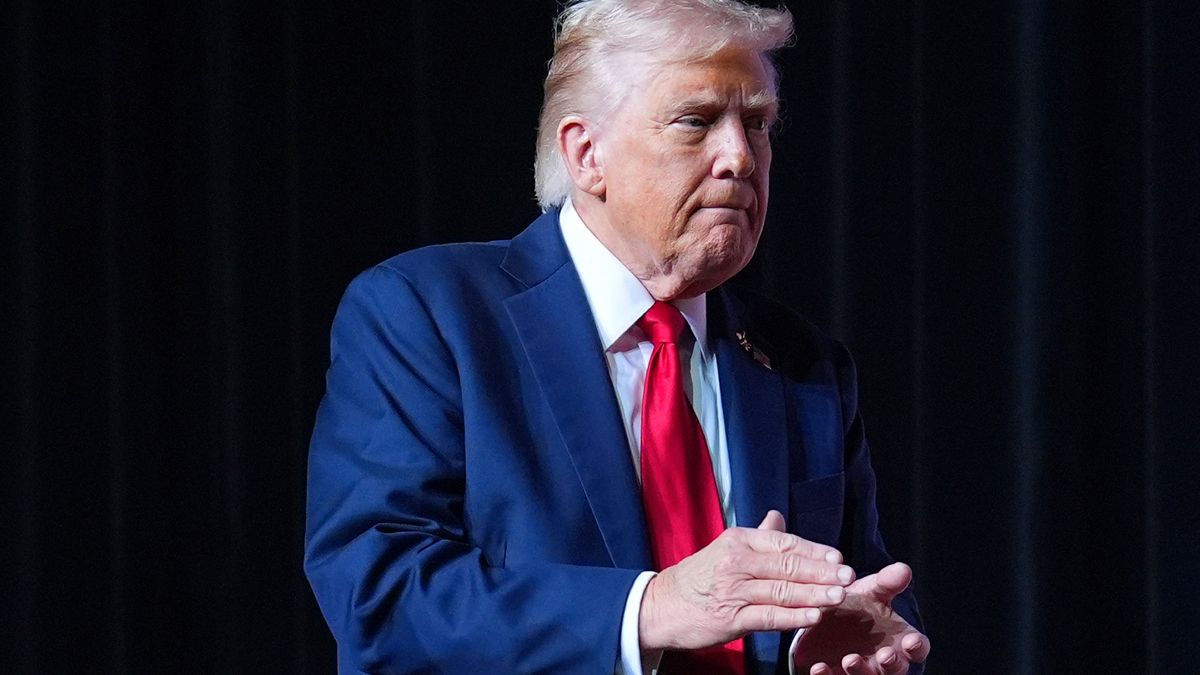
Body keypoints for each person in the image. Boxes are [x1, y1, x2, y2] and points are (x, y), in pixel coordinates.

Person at [304, 1, 930, 673]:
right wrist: (650, 608)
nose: (740, 158)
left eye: (757, 123)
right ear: (586, 154)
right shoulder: (429, 315)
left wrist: (848, 647)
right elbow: (382, 595)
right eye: (696, 121)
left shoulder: (806, 365)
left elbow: (872, 602)